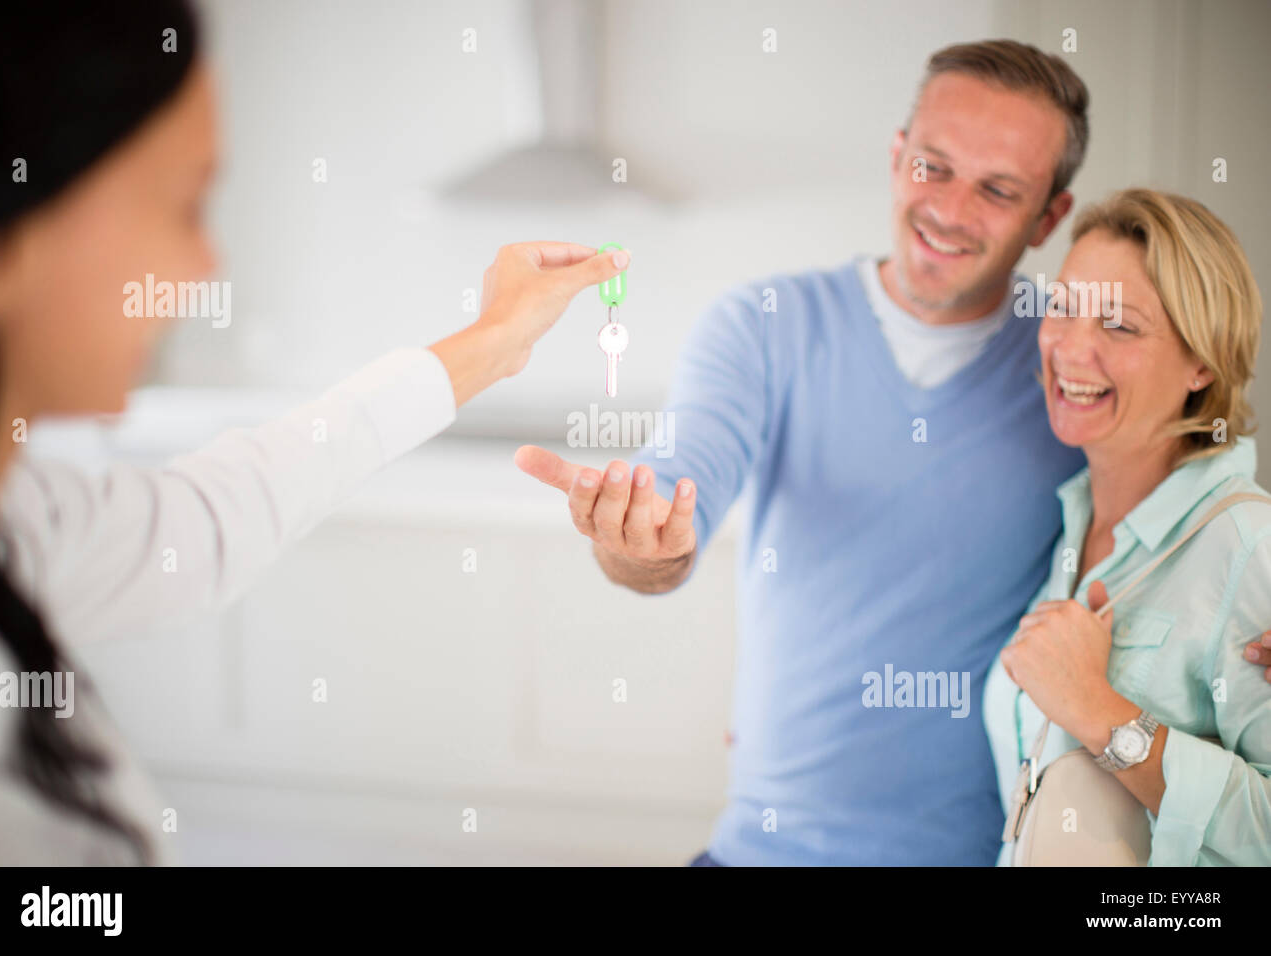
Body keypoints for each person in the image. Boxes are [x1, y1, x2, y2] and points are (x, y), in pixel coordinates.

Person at [516, 41, 1271, 864]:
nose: (949, 208)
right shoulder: (766, 324)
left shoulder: (1070, 377)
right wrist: (640, 539)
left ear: (1048, 217)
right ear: (896, 156)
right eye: (933, 167)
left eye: (998, 189)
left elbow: (1204, 507)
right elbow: (674, 495)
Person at [0, 3, 626, 863]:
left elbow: (213, 516)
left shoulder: (18, 523)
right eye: (185, 203)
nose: (209, 265)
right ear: (6, 237)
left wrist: (493, 343)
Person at [983, 189, 1271, 866]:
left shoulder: (1248, 547)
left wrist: (1101, 713)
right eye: (1064, 308)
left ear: (1203, 361)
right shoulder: (1068, 526)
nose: (1072, 350)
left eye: (1119, 325)